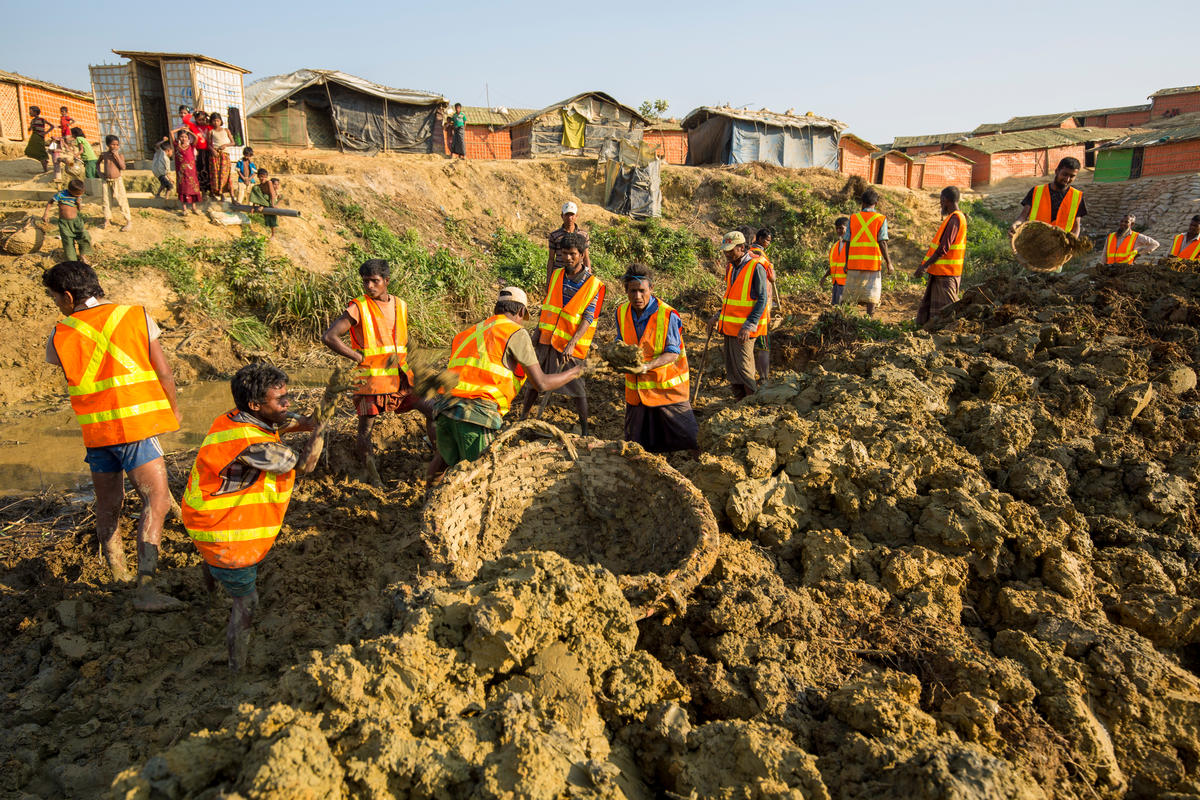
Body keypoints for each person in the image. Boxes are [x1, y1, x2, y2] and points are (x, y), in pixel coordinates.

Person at [42, 261, 183, 611]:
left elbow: (75, 370)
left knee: (108, 505)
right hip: (134, 427)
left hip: (96, 432)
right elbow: (163, 372)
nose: (57, 304)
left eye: (55, 298)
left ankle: (117, 572)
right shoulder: (134, 316)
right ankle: (146, 588)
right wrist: (173, 412)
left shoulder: (61, 332)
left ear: (68, 296)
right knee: (157, 500)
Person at [182, 363, 326, 672]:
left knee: (212, 563)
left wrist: (311, 419)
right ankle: (237, 671)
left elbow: (286, 422)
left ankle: (209, 604)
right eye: (280, 400)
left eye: (287, 396)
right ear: (255, 405)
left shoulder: (230, 418)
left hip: (202, 516)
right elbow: (304, 465)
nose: (287, 404)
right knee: (247, 603)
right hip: (226, 532)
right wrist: (320, 430)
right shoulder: (253, 445)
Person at [433, 287, 584, 467]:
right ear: (521, 311)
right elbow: (541, 383)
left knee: (443, 466)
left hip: (443, 410)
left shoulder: (467, 333)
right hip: (476, 414)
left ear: (496, 309)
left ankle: (429, 492)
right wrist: (575, 371)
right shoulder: (515, 332)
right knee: (482, 475)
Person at [322, 259, 442, 477]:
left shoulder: (401, 305)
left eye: (374, 281)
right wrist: (358, 357)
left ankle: (438, 462)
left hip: (402, 379)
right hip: (372, 382)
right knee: (365, 431)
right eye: (365, 282)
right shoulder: (358, 308)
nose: (369, 286)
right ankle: (373, 476)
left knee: (434, 411)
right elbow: (330, 337)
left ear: (386, 281)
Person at [521, 232, 604, 435]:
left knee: (576, 387)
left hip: (569, 343)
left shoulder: (595, 285)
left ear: (583, 255)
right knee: (533, 381)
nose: (568, 258)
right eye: (564, 253)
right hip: (546, 339)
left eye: (572, 254)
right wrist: (537, 331)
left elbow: (589, 317)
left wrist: (573, 342)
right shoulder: (557, 275)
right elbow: (548, 305)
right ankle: (522, 419)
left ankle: (584, 429)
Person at [615, 266, 699, 454]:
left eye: (642, 291)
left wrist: (646, 367)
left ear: (651, 289)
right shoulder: (621, 312)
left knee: (690, 438)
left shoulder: (667, 314)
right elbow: (620, 343)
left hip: (667, 391)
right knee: (634, 444)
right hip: (636, 393)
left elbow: (672, 352)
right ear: (625, 290)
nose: (637, 296)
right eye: (632, 291)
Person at [709, 230, 768, 399]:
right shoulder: (731, 268)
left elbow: (762, 300)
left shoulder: (756, 268)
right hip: (729, 327)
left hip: (744, 330)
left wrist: (749, 326)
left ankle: (750, 404)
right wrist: (718, 315)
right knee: (732, 369)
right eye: (725, 250)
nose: (727, 253)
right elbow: (731, 298)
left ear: (742, 248)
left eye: (731, 249)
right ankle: (739, 401)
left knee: (744, 368)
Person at [914, 187, 968, 325]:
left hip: (947, 273)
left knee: (950, 311)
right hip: (942, 273)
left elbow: (943, 248)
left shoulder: (955, 219)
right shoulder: (954, 218)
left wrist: (924, 266)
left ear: (945, 200)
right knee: (939, 312)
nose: (940, 204)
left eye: (941, 200)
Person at [842, 189, 894, 316]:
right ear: (876, 203)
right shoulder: (881, 219)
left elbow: (847, 241)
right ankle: (869, 317)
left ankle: (846, 316)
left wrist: (846, 262)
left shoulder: (854, 218)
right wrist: (889, 263)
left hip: (854, 262)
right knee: (872, 291)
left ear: (862, 203)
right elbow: (882, 242)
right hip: (872, 264)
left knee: (850, 292)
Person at [1012, 157, 1085, 237]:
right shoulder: (1036, 191)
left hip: (1061, 245)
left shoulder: (1077, 197)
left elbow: (1076, 226)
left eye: (1072, 176)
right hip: (1034, 241)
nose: (1067, 179)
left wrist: (1072, 242)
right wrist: (1016, 225)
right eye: (1064, 174)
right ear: (1056, 171)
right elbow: (1023, 216)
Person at [748, 227, 779, 382]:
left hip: (744, 309)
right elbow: (772, 278)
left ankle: (749, 376)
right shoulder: (760, 256)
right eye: (767, 240)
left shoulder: (743, 255)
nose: (768, 243)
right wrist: (772, 270)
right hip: (760, 309)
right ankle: (764, 377)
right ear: (759, 239)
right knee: (763, 345)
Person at [42, 179, 91, 262]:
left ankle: (83, 254)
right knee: (68, 241)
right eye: (78, 194)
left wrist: (79, 203)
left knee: (84, 236)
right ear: (70, 190)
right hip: (64, 223)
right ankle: (72, 260)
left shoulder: (78, 197)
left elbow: (79, 209)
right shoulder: (61, 195)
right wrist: (46, 214)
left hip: (76, 221)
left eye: (81, 193)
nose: (79, 195)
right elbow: (50, 202)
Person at [547, 201, 591, 283]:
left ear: (576, 216)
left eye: (572, 215)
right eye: (567, 215)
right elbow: (551, 259)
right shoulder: (554, 235)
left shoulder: (583, 235)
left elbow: (586, 257)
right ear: (562, 216)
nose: (569, 218)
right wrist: (549, 280)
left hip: (578, 275)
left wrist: (589, 277)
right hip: (559, 275)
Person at [97, 135, 132, 232]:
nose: (115, 146)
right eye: (113, 144)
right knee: (106, 200)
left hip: (117, 180)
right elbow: (97, 164)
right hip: (106, 181)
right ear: (108, 145)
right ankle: (107, 220)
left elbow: (123, 167)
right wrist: (100, 173)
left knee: (122, 200)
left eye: (117, 145)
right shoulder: (104, 155)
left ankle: (128, 221)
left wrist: (116, 156)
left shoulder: (120, 156)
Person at [172, 131, 203, 215]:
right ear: (178, 138)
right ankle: (184, 209)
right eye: (181, 137)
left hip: (191, 172)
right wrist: (181, 128)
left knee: (193, 187)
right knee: (183, 188)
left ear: (188, 138)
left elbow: (196, 138)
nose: (183, 139)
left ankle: (194, 208)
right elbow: (171, 132)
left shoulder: (191, 146)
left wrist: (189, 131)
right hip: (181, 172)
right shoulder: (176, 146)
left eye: (185, 137)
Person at [821, 217, 849, 305]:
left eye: (841, 228)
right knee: (835, 307)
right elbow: (834, 266)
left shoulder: (852, 245)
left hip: (847, 284)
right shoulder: (835, 246)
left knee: (843, 309)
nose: (838, 230)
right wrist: (825, 276)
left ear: (847, 228)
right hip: (836, 283)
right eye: (837, 228)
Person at [207, 113, 235, 200]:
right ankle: (219, 193)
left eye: (217, 120)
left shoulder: (226, 130)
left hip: (224, 155)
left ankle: (229, 195)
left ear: (221, 121)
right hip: (215, 155)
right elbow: (208, 144)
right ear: (211, 122)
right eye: (214, 121)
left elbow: (233, 142)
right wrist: (213, 151)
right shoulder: (211, 132)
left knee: (225, 174)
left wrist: (225, 145)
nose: (216, 122)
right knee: (216, 175)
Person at [248, 171, 281, 237]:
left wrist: (273, 205)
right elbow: (256, 196)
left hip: (270, 202)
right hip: (264, 202)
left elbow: (272, 194)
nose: (263, 178)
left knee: (272, 220)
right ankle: (262, 205)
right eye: (261, 177)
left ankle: (273, 235)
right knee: (255, 187)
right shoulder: (259, 186)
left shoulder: (269, 182)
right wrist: (253, 207)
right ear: (258, 177)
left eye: (265, 177)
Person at [24, 105, 51, 172]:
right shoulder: (32, 121)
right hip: (33, 138)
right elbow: (31, 128)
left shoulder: (42, 120)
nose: (29, 113)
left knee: (41, 152)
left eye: (31, 112)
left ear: (36, 112)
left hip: (39, 138)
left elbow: (52, 126)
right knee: (29, 150)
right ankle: (44, 162)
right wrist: (30, 128)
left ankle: (45, 169)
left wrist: (45, 133)